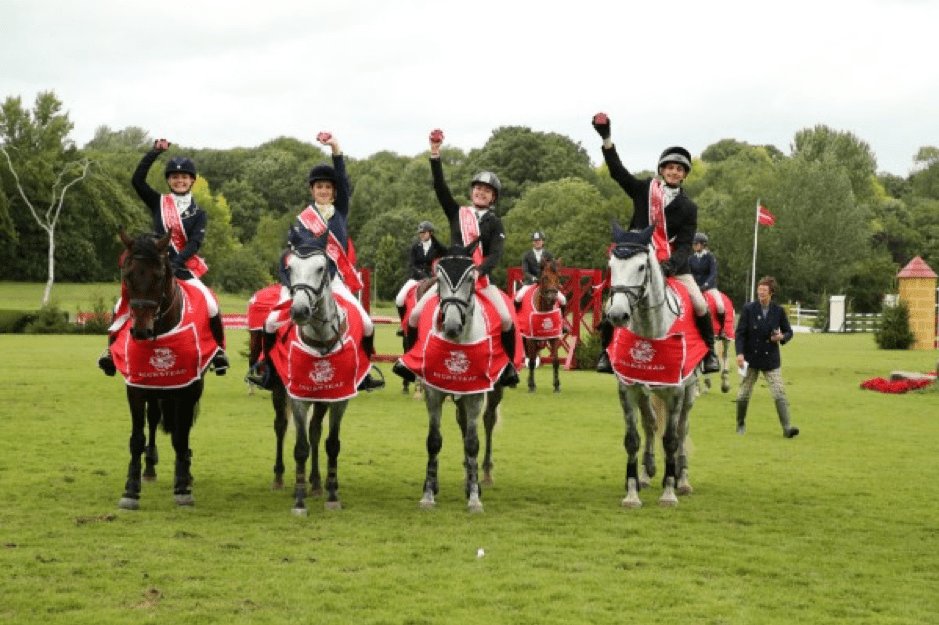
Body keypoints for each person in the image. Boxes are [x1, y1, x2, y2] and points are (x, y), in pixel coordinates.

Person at [591, 112, 720, 375]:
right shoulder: (643, 191)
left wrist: (669, 266)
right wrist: (606, 138)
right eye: (670, 167)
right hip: (637, 258)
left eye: (679, 169)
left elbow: (685, 244)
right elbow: (618, 172)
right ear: (662, 170)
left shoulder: (688, 207)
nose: (674, 172)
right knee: (612, 304)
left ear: (684, 175)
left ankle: (709, 354)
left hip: (672, 265)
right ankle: (605, 353)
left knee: (699, 303)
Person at [394, 128, 519, 387]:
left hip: (480, 280)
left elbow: (496, 254)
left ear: (493, 197)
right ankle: (412, 363)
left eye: (487, 191)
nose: (481, 193)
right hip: (449, 279)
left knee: (506, 319)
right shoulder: (457, 213)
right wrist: (435, 152)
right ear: (472, 191)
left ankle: (506, 368)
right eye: (478, 188)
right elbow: (440, 187)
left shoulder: (495, 222)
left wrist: (480, 270)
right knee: (415, 315)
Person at [98, 138, 229, 376]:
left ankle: (219, 351)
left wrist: (177, 262)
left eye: (185, 177)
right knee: (121, 303)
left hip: (182, 266)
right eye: (175, 177)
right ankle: (110, 352)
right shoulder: (159, 202)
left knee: (210, 303)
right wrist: (154, 152)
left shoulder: (199, 213)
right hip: (155, 265)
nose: (180, 181)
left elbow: (195, 243)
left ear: (192, 181)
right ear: (169, 180)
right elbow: (137, 181)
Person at [278, 131, 384, 392]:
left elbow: (344, 179)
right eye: (319, 187)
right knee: (271, 322)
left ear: (334, 192)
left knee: (367, 324)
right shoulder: (303, 220)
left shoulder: (341, 212)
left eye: (328, 187)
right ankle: (268, 369)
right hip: (304, 280)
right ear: (312, 190)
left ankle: (364, 370)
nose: (323, 191)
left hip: (334, 279)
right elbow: (292, 256)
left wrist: (335, 148)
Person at [734, 276, 799, 438]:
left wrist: (781, 337)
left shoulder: (778, 311)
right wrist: (740, 354)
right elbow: (740, 334)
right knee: (743, 393)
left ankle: (786, 428)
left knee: (779, 392)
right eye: (759, 290)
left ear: (771, 293)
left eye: (764, 291)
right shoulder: (748, 309)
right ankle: (740, 424)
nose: (760, 293)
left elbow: (789, 332)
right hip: (750, 358)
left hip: (771, 359)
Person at [394, 220, 448, 327]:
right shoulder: (415, 246)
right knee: (399, 299)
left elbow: (445, 251)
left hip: (433, 278)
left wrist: (430, 277)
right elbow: (412, 265)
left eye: (424, 232)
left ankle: (444, 323)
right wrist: (422, 276)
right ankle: (403, 324)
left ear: (430, 233)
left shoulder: (437, 247)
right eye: (420, 233)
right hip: (416, 277)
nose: (421, 235)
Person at [689, 232, 726, 332]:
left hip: (710, 287)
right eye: (693, 244)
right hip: (696, 287)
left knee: (720, 305)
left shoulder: (710, 257)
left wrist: (705, 285)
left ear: (703, 244)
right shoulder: (691, 259)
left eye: (696, 244)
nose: (694, 246)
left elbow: (713, 273)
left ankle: (722, 329)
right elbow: (689, 274)